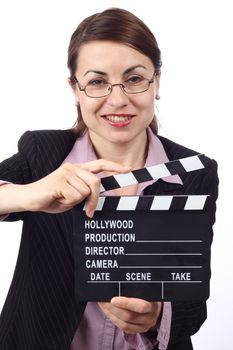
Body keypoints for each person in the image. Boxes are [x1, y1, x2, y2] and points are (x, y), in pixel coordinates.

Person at [0, 7, 218, 350]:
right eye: (97, 81)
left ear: (156, 81)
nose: (118, 100)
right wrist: (27, 194)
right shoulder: (44, 153)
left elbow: (193, 306)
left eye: (134, 79)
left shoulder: (194, 171)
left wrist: (158, 314)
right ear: (75, 89)